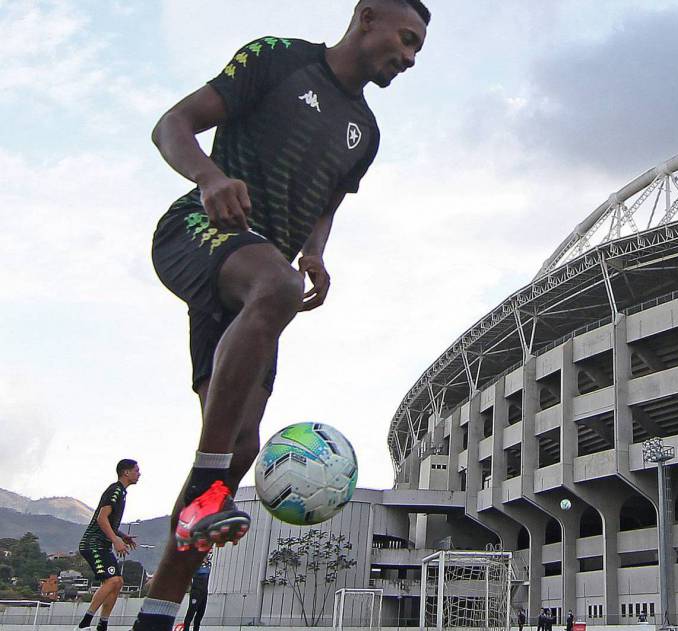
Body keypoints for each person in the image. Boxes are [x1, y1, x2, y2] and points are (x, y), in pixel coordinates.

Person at [132, 3, 429, 631]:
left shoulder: (364, 133)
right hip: (201, 232)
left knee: (242, 443)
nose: (408, 58)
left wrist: (318, 251)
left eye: (417, 52)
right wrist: (210, 176)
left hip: (259, 293)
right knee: (277, 284)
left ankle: (157, 612)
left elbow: (327, 201)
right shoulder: (278, 59)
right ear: (366, 17)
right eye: (405, 40)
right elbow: (173, 124)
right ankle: (209, 490)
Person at [77, 460, 140, 631]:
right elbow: (101, 518)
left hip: (102, 545)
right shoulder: (115, 490)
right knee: (112, 580)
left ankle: (103, 623)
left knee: (118, 582)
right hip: (93, 544)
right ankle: (84, 623)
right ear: (126, 472)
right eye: (136, 470)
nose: (139, 474)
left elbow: (109, 523)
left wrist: (123, 536)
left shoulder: (122, 492)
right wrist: (115, 540)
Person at [182, 554, 211, 631]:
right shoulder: (196, 563)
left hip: (204, 591)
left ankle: (196, 629)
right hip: (196, 590)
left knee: (201, 613)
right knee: (191, 611)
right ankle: (186, 629)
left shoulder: (208, 563)